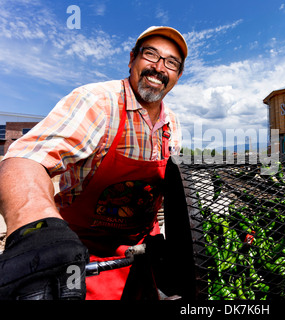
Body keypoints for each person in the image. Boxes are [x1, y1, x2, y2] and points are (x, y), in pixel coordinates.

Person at [0, 26, 188, 300]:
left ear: (177, 76)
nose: (159, 67)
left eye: (171, 63)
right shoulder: (98, 102)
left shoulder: (172, 122)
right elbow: (25, 158)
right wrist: (34, 230)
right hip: (82, 259)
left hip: (143, 255)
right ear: (132, 59)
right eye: (151, 55)